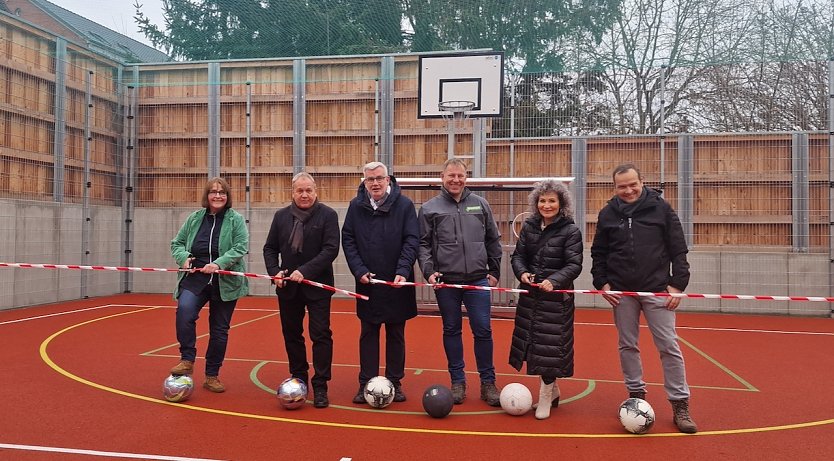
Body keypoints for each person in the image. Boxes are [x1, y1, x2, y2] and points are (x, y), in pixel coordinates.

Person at [590, 163, 697, 433]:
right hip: (622, 293)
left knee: (668, 346)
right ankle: (636, 397)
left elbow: (678, 248)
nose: (628, 190)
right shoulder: (607, 213)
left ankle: (680, 404)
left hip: (657, 290)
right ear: (614, 187)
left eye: (632, 184)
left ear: (642, 181)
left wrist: (677, 285)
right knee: (627, 345)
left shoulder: (661, 209)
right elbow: (598, 252)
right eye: (621, 186)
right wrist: (602, 283)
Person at [417, 157, 503, 406]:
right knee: (451, 330)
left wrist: (494, 271)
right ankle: (458, 382)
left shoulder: (480, 205)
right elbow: (423, 244)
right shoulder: (430, 208)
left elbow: (493, 240)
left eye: (460, 176)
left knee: (483, 331)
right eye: (451, 175)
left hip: (477, 280)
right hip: (447, 283)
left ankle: (488, 384)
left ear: (466, 178)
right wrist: (428, 270)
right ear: (442, 178)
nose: (455, 180)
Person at [342, 161, 419, 405]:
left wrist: (403, 270)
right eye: (369, 179)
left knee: (396, 333)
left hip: (397, 281)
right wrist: (359, 270)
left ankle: (395, 382)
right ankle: (366, 382)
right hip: (368, 282)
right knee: (368, 332)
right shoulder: (356, 206)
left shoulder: (405, 205)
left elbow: (411, 239)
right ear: (364, 182)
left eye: (379, 178)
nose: (374, 183)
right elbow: (348, 239)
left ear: (388, 180)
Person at [263, 172, 340, 408]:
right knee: (292, 335)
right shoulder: (281, 217)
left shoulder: (328, 215)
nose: (304, 195)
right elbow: (269, 248)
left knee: (320, 334)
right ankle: (299, 378)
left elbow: (330, 250)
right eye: (300, 191)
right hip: (288, 289)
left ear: (316, 191)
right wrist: (275, 272)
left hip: (317, 288)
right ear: (293, 193)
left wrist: (305, 271)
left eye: (308, 190)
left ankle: (320, 385)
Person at [509, 180, 583, 420]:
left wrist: (555, 281)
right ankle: (552, 391)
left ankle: (544, 396)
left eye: (552, 200)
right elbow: (518, 256)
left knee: (550, 349)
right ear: (536, 202)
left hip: (555, 301)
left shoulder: (570, 231)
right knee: (533, 346)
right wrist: (522, 273)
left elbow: (574, 264)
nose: (547, 205)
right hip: (531, 297)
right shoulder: (529, 226)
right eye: (542, 200)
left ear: (561, 203)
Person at [170, 177, 249, 393]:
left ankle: (212, 375)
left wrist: (218, 264)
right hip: (196, 277)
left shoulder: (236, 220)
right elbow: (176, 243)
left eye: (222, 192)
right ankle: (187, 358)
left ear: (227, 196)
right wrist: (183, 258)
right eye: (213, 192)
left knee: (219, 330)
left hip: (225, 281)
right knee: (184, 311)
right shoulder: (194, 219)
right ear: (207, 195)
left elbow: (241, 246)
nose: (217, 195)